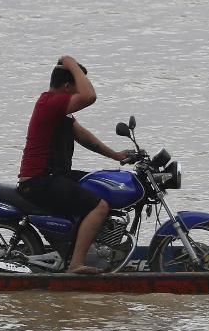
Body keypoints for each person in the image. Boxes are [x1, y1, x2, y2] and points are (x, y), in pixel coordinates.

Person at [16, 57, 130, 274]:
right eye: (76, 85)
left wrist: (116, 156)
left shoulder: (59, 111)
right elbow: (90, 96)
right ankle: (76, 265)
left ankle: (92, 248)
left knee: (101, 182)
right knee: (100, 206)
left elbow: (86, 138)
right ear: (67, 86)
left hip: (54, 176)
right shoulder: (50, 102)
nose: (79, 92)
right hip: (39, 180)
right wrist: (70, 62)